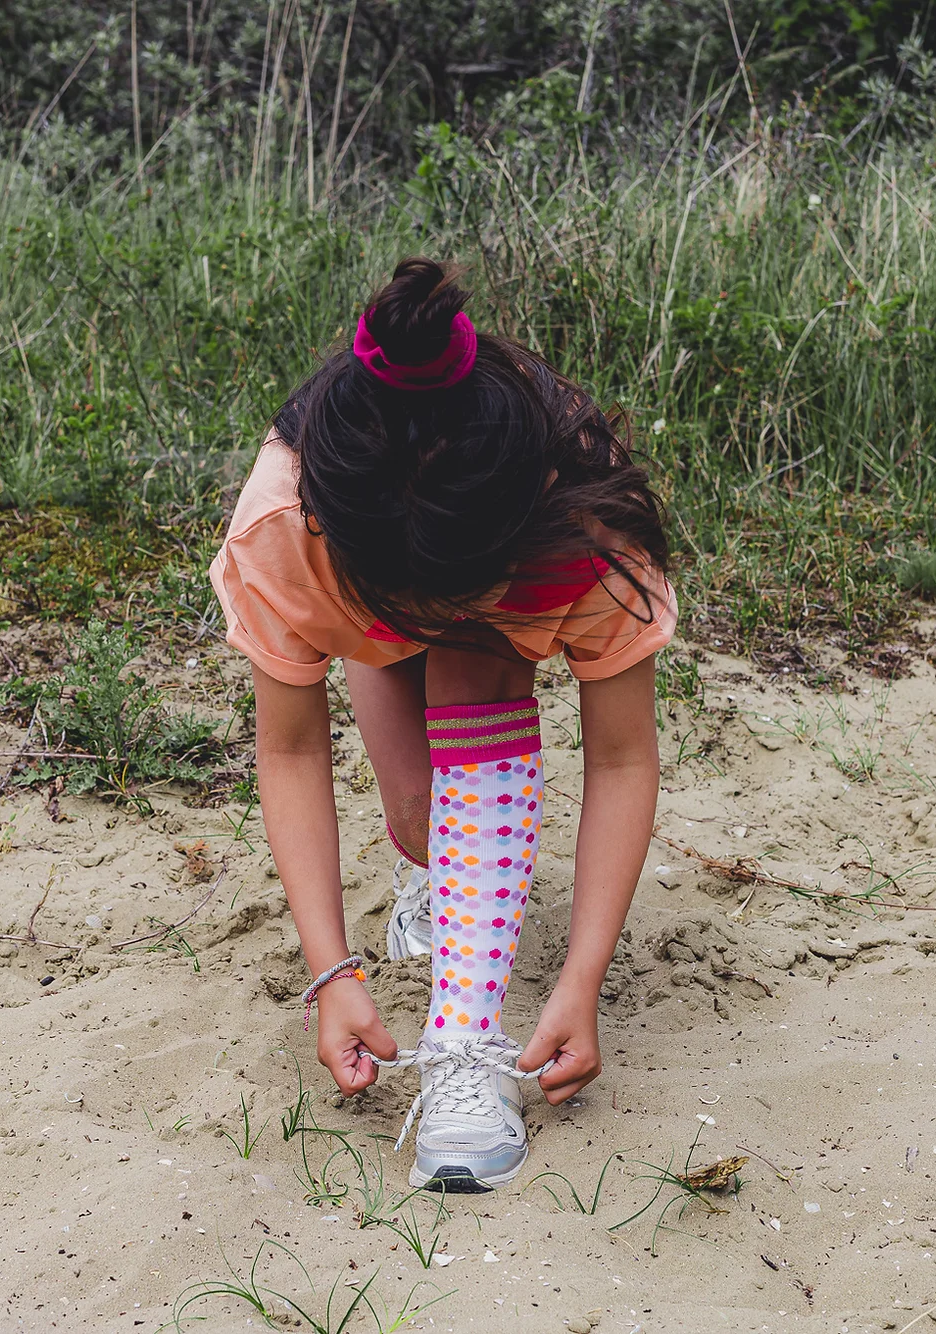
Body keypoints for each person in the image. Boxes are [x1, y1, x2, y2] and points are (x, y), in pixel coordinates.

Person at [210, 257, 677, 1193]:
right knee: (424, 820)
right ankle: (435, 871)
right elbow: (291, 747)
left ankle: (465, 1032)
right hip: (371, 587)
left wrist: (580, 984)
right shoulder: (285, 528)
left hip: (505, 573)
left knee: (471, 676)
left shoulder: (584, 527)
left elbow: (623, 761)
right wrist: (331, 973)